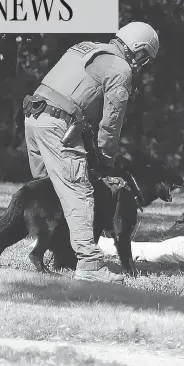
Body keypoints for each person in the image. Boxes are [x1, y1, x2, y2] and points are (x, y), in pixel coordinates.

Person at [23, 22, 159, 284]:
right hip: (58, 126)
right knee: (78, 191)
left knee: (49, 191)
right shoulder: (121, 69)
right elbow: (111, 123)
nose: (143, 64)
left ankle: (58, 254)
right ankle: (89, 264)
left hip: (34, 117)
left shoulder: (85, 48)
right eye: (145, 58)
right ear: (138, 51)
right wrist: (106, 160)